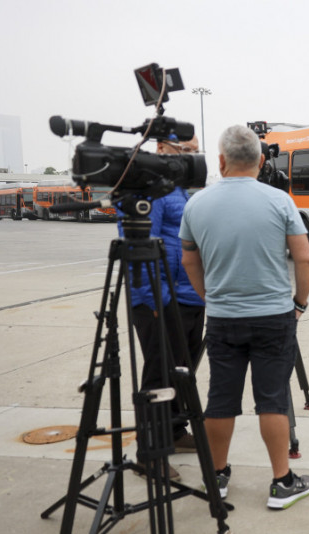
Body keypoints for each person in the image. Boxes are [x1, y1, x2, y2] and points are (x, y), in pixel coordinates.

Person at [179, 125, 309, 510]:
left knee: (220, 399)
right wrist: (299, 305)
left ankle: (217, 477)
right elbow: (304, 259)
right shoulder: (280, 201)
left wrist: (212, 298)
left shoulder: (196, 204)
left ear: (220, 161)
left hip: (223, 318)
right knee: (272, 400)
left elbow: (189, 259)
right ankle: (281, 482)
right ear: (260, 161)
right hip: (274, 316)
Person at [119, 136, 204, 482]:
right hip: (159, 300)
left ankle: (174, 430)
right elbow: (138, 246)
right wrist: (153, 301)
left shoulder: (180, 189)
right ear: (162, 149)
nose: (190, 156)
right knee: (159, 373)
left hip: (189, 297)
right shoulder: (149, 190)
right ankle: (149, 451)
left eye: (193, 150)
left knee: (182, 371)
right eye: (185, 150)